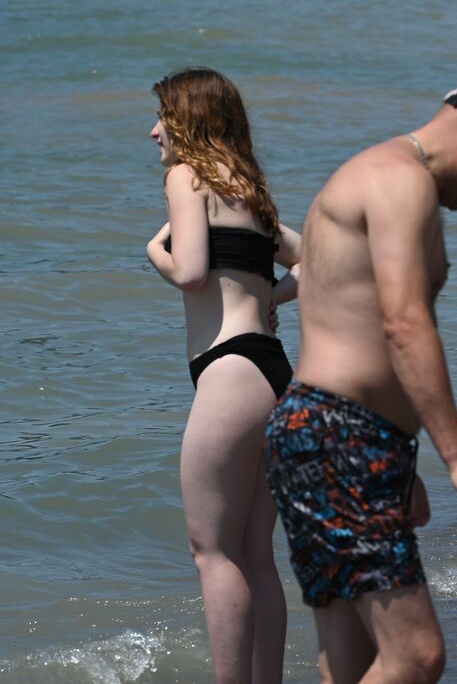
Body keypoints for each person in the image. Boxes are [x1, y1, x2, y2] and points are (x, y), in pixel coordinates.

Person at [264, 75, 457, 684]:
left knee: (353, 660)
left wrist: (399, 455)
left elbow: (349, 322)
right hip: (339, 436)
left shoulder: (376, 173)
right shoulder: (399, 179)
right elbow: (403, 323)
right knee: (416, 656)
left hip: (330, 434)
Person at [145, 67, 301, 684]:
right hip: (270, 368)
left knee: (211, 552)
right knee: (257, 555)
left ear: (189, 119)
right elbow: (320, 257)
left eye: (162, 115)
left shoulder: (184, 178)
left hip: (228, 371)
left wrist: (154, 253)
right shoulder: (252, 194)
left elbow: (189, 272)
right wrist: (274, 296)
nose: (152, 129)